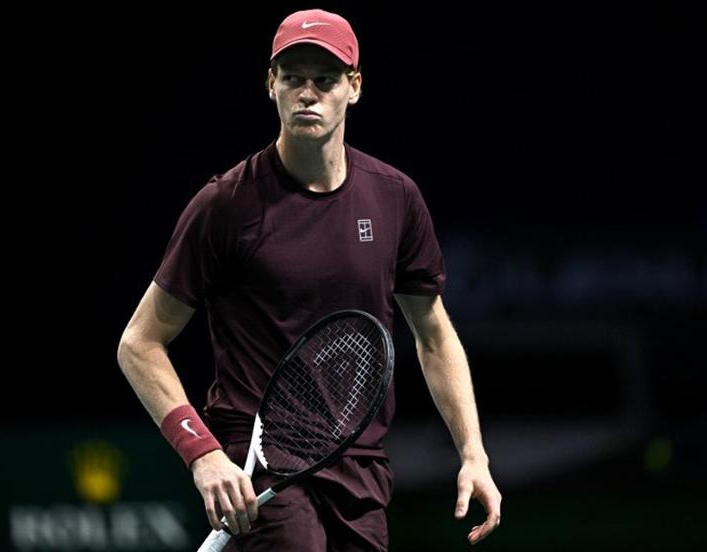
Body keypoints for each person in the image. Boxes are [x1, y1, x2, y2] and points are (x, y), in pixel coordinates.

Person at [117, 8, 501, 550]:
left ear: (354, 87)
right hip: (260, 459)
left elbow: (434, 335)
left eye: (324, 80)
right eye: (293, 78)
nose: (307, 94)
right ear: (271, 84)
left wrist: (473, 453)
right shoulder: (225, 205)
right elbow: (139, 343)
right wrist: (202, 453)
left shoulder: (394, 198)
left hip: (358, 464)